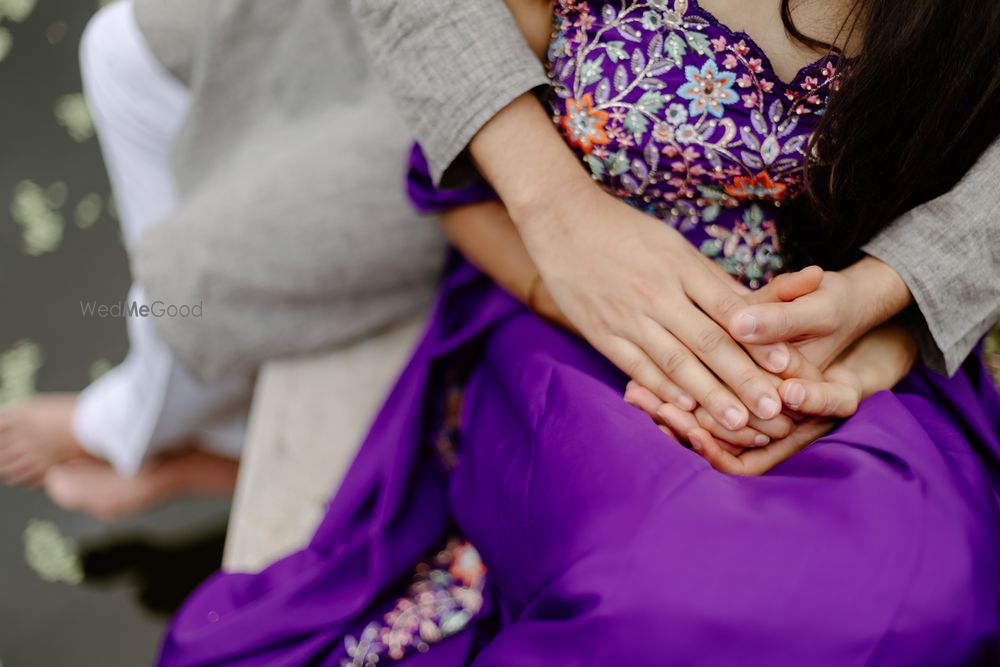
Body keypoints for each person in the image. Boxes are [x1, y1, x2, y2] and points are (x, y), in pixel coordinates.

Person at [157, 0, 1000, 664]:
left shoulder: (961, 40)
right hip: (577, 341)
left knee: (928, 592)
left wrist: (883, 323)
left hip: (857, 346)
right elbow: (453, 192)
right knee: (658, 590)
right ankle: (152, 439)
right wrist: (585, 285)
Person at [0, 0, 445, 519]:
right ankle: (204, 360)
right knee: (122, 50)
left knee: (186, 290)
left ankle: (129, 430)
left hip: (466, 101)